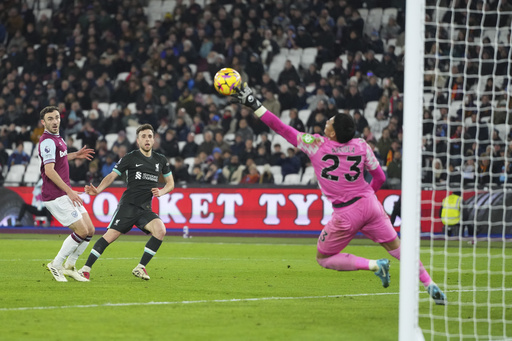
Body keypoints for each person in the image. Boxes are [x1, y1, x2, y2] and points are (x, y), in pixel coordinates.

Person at [232, 83, 446, 305]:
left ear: (332, 132)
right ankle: (430, 284)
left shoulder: (316, 145)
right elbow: (380, 177)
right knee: (398, 249)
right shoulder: (362, 146)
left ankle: (373, 265)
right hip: (371, 205)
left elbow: (281, 128)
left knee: (324, 258)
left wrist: (254, 104)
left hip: (345, 214)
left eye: (330, 121)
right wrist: (365, 199)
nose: (326, 121)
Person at [80, 124, 175, 280]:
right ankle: (85, 269)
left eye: (150, 136)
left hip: (145, 208)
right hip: (128, 206)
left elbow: (170, 183)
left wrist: (162, 192)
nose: (147, 139)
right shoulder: (131, 157)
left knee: (160, 230)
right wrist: (98, 189)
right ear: (138, 140)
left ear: (154, 139)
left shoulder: (161, 160)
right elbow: (112, 175)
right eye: (143, 136)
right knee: (109, 236)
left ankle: (140, 267)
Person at [39, 106, 95, 282]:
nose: (54, 121)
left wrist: (75, 155)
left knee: (90, 230)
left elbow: (60, 158)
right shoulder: (47, 140)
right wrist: (69, 191)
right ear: (43, 122)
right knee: (82, 230)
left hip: (64, 192)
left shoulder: (58, 138)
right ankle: (56, 264)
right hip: (55, 195)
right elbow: (49, 170)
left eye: (56, 118)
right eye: (50, 119)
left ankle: (70, 266)